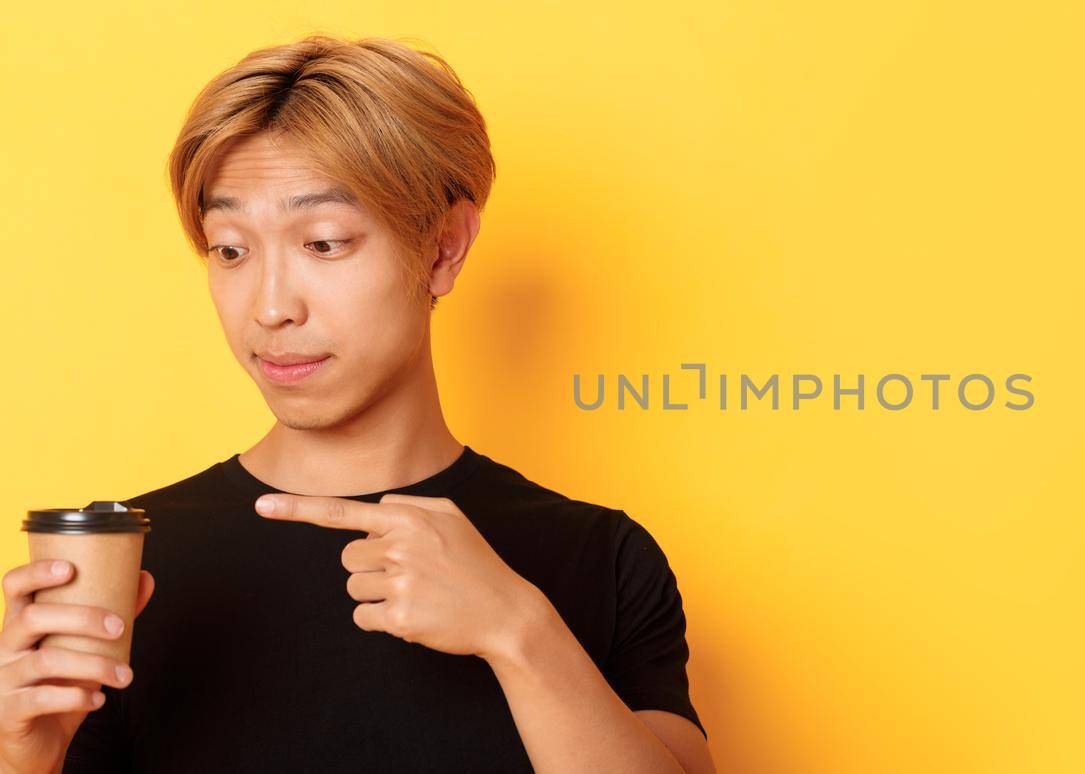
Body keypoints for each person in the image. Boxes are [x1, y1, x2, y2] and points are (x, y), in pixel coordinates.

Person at [0, 35, 714, 774]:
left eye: (325, 243)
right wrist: (19, 763)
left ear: (443, 249)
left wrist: (518, 630)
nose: (270, 308)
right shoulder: (124, 564)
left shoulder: (603, 559)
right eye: (231, 250)